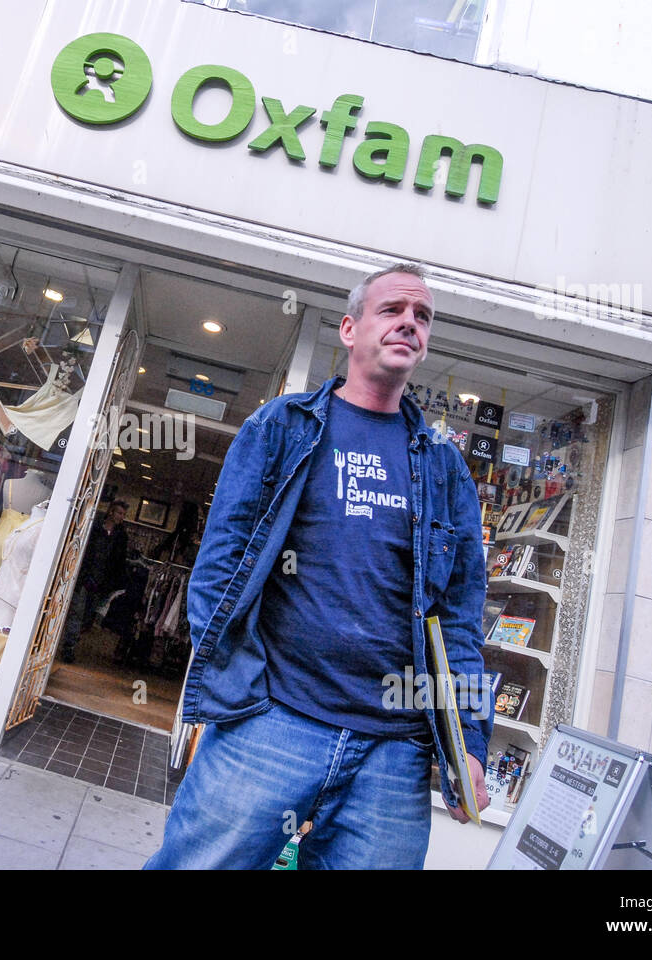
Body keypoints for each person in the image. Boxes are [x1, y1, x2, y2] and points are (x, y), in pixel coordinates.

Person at [146, 264, 491, 870]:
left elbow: (458, 621)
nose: (410, 322)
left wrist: (469, 744)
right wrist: (239, 691)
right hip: (273, 721)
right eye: (393, 310)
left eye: (423, 316)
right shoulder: (282, 428)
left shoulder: (444, 467)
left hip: (395, 751)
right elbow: (219, 569)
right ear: (350, 329)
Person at [60, 499, 130, 664]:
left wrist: (113, 583)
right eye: (119, 513)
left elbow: (119, 561)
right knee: (77, 610)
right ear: (111, 511)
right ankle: (69, 646)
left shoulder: (121, 536)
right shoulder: (95, 528)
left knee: (88, 614)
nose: (121, 517)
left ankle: (73, 640)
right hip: (85, 577)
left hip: (102, 582)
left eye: (124, 514)